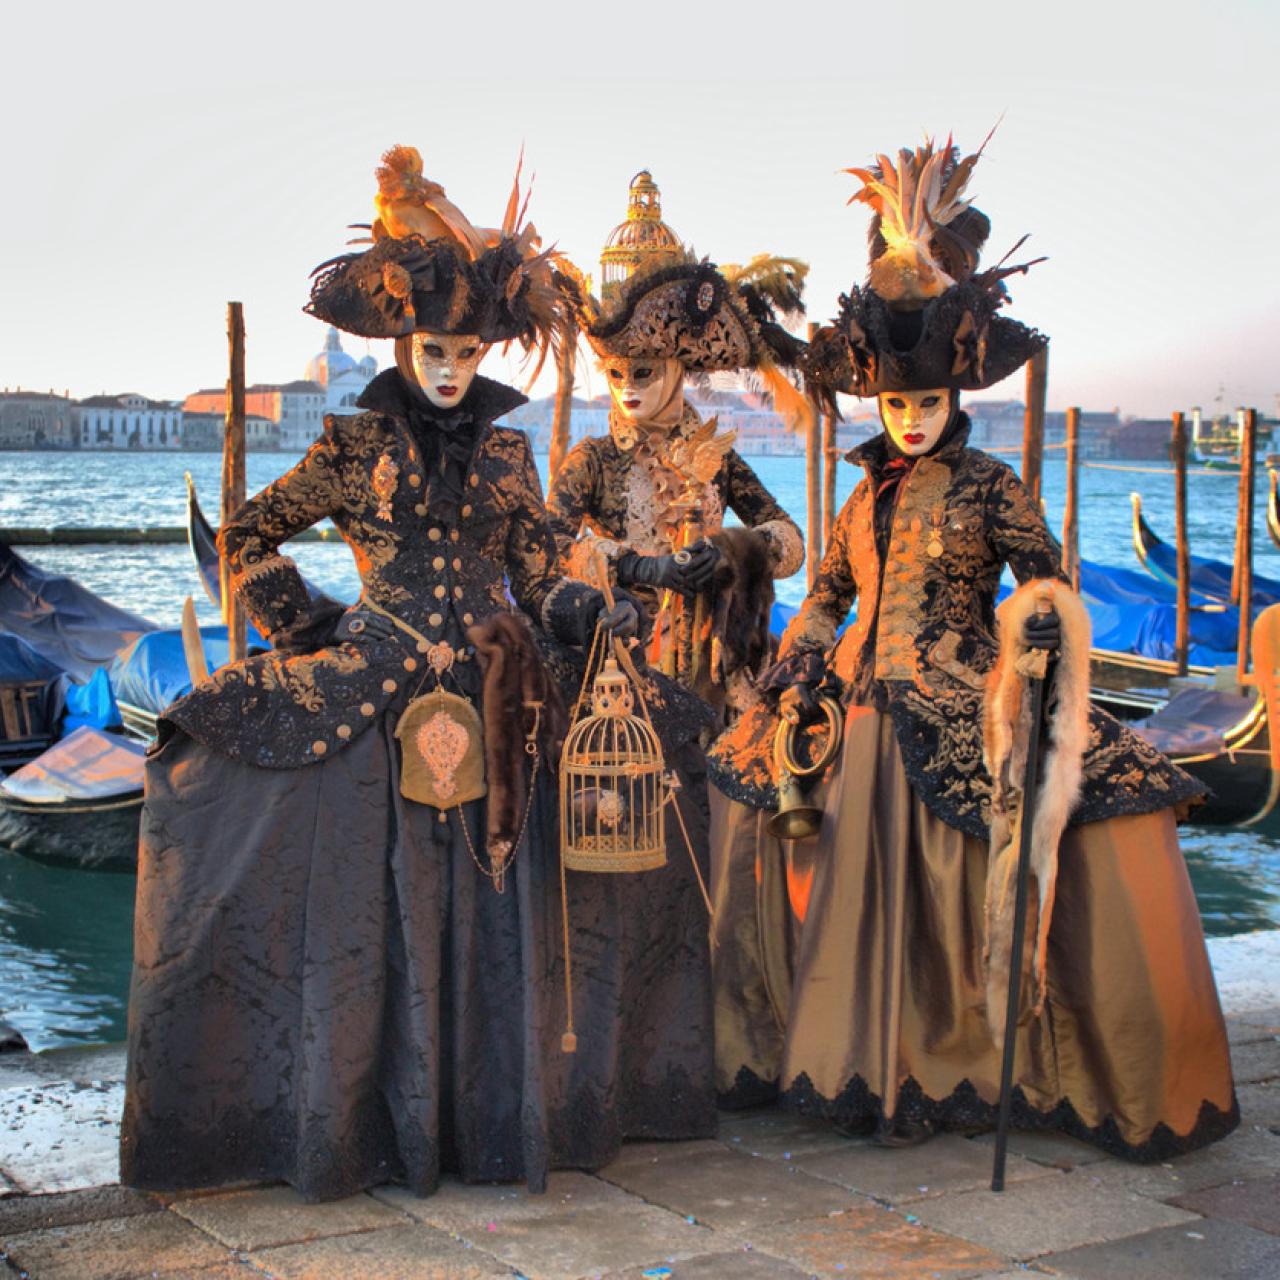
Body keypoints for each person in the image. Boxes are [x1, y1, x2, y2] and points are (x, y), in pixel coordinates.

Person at [121, 145, 715, 1204]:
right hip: (378, 680)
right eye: (432, 348)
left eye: (464, 351)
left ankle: (493, 1117)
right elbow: (247, 534)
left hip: (499, 692)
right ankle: (356, 1123)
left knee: (632, 763)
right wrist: (300, 616)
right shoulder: (351, 447)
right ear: (405, 341)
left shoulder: (507, 453)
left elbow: (535, 561)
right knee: (222, 759)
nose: (447, 368)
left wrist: (583, 606)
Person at [707, 136, 1238, 1160]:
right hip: (861, 706)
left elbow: (1044, 575)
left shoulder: (992, 483)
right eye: (895, 404)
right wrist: (801, 651)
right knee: (747, 786)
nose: (908, 420)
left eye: (926, 404)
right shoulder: (860, 493)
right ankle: (850, 1055)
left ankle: (977, 1058)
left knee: (1102, 797)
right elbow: (824, 590)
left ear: (954, 399)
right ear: (879, 402)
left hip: (958, 691)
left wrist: (1035, 629)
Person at [548, 171, 806, 711]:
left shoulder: (716, 453)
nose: (627, 390)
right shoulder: (593, 460)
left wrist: (732, 552)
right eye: (615, 375)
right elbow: (547, 548)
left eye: (642, 373)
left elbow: (791, 543)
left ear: (674, 368)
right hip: (622, 663)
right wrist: (639, 567)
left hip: (716, 663)